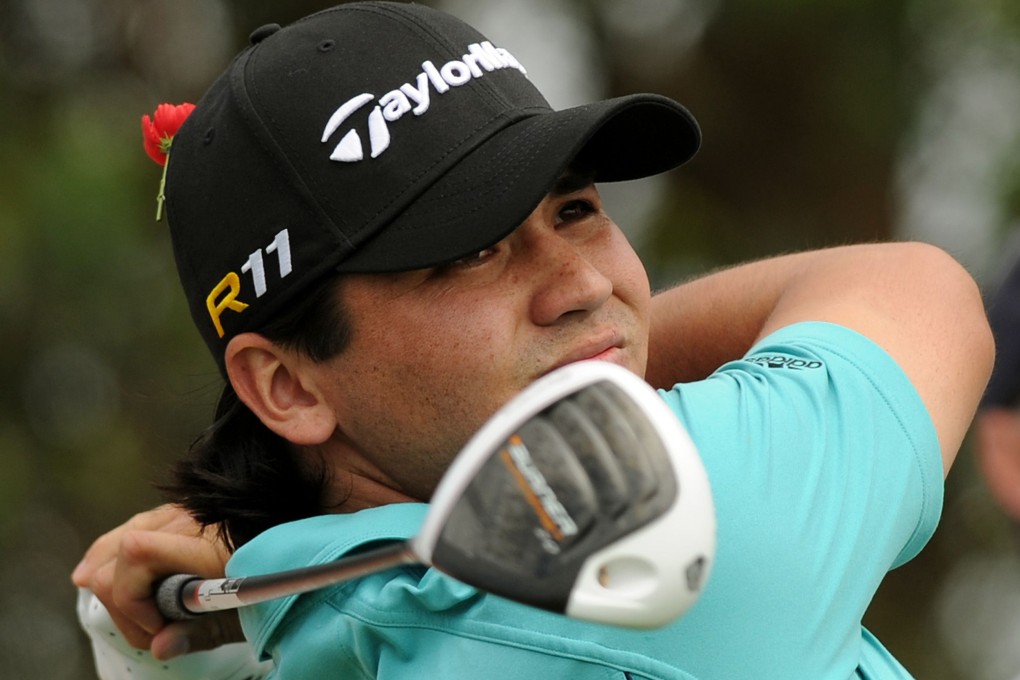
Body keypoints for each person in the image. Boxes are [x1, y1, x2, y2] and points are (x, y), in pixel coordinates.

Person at [71, 2, 994, 678]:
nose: (587, 285)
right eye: (471, 252)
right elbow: (921, 290)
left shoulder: (303, 618)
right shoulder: (646, 540)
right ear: (290, 388)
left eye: (578, 209)